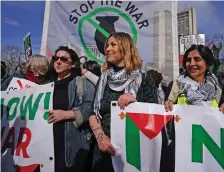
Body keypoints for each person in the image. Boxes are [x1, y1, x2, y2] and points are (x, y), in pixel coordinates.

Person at [89, 32, 158, 172]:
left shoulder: (145, 80)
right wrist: (100, 137)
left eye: (113, 44)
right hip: (104, 150)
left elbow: (155, 118)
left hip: (134, 152)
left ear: (126, 48)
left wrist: (136, 103)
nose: (107, 49)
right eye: (107, 45)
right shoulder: (103, 80)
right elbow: (93, 113)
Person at [47, 46, 95, 172]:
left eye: (63, 59)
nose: (58, 61)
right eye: (55, 58)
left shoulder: (82, 83)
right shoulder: (46, 84)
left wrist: (67, 114)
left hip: (72, 142)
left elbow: (90, 106)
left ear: (73, 64)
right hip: (47, 143)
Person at [165, 44, 224, 112]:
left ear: (207, 64)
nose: (191, 64)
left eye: (197, 59)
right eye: (188, 60)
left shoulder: (218, 88)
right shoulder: (175, 86)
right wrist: (167, 106)